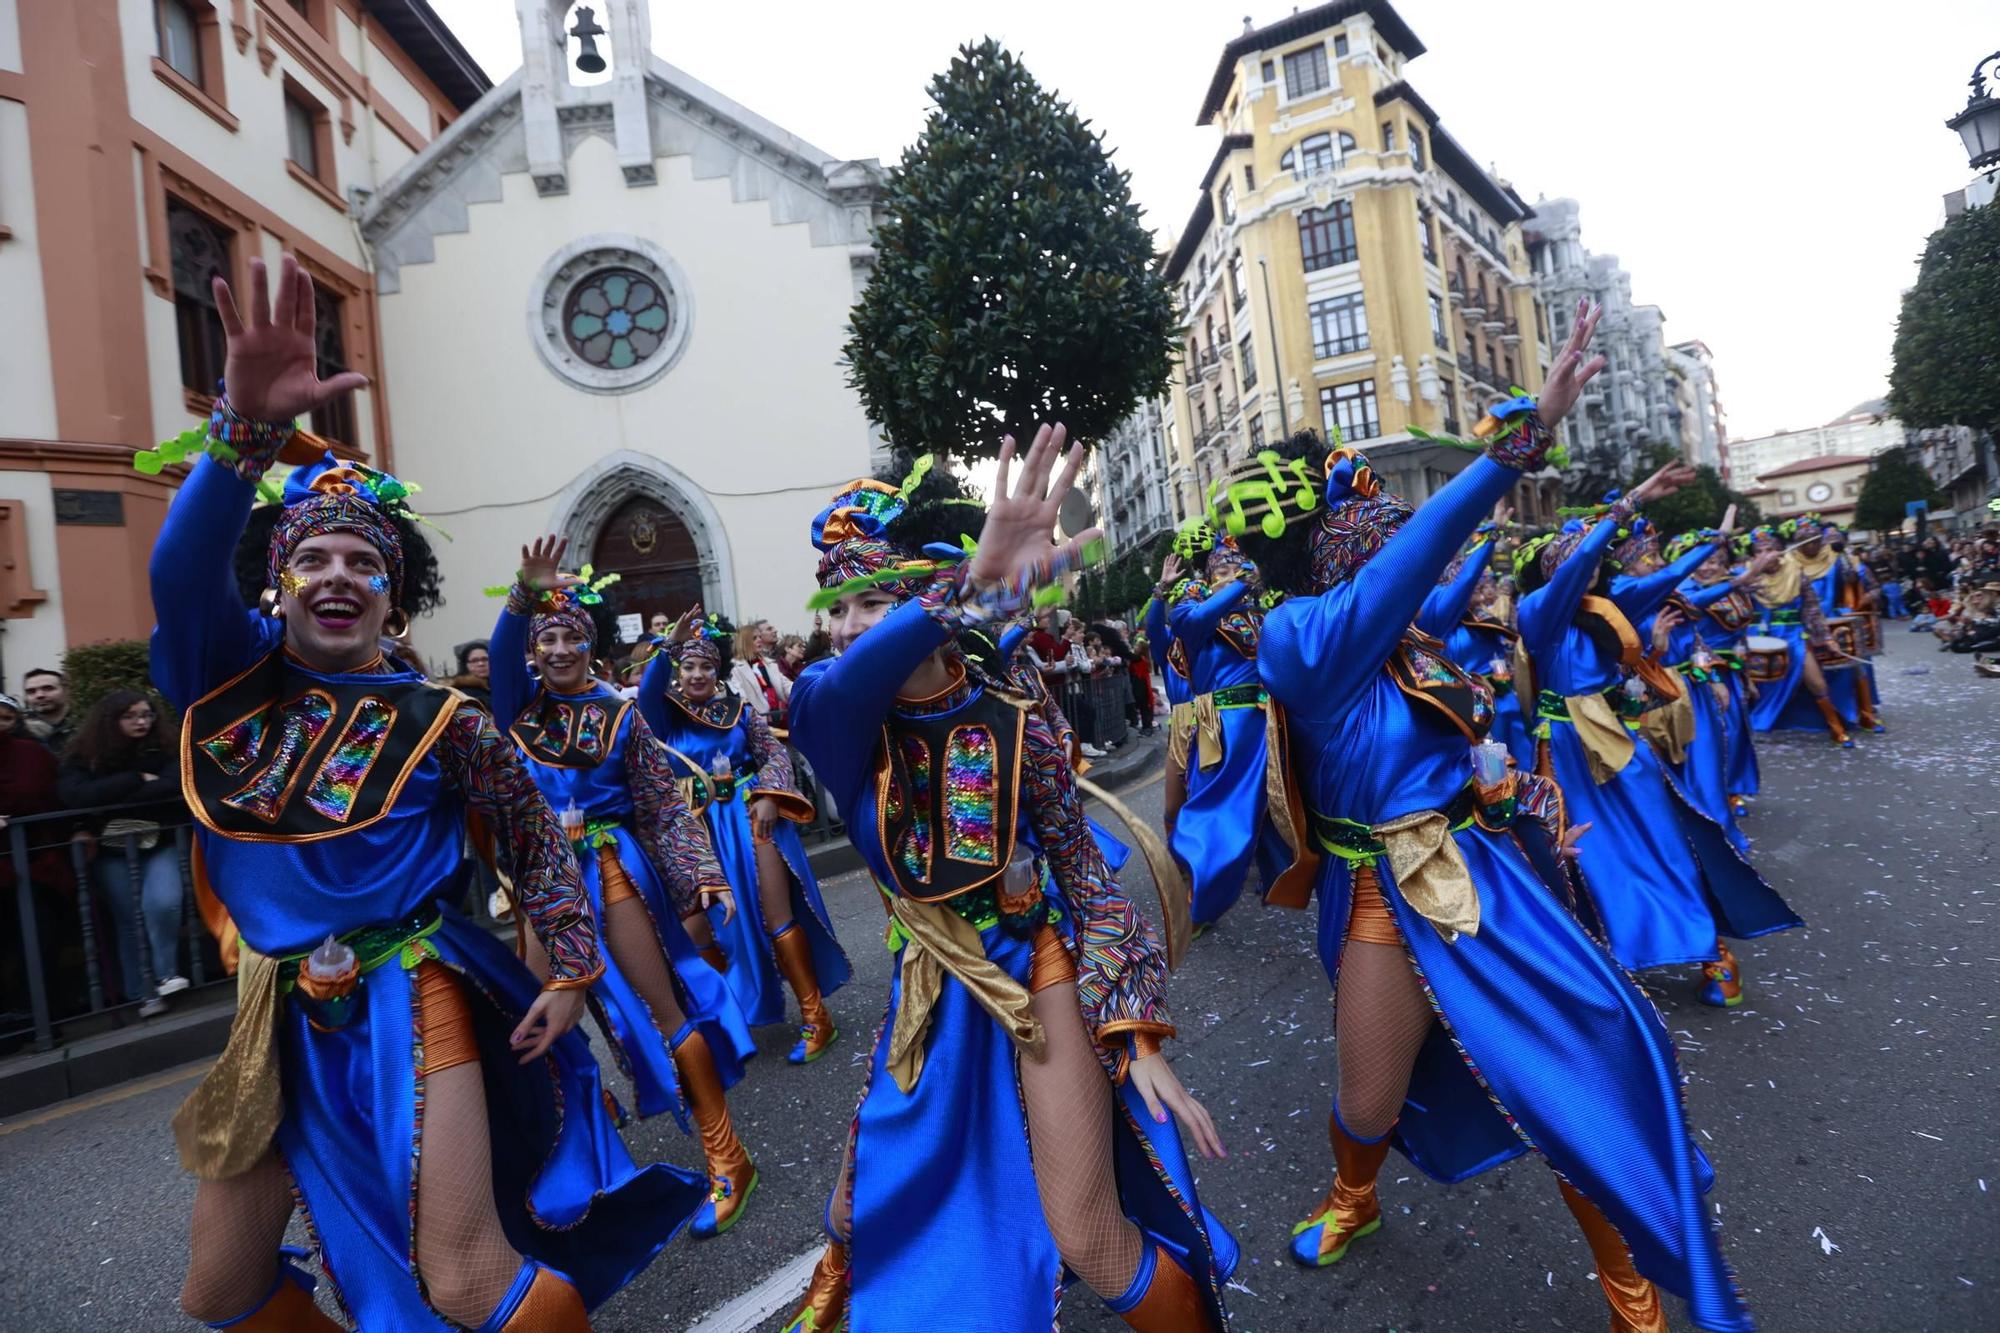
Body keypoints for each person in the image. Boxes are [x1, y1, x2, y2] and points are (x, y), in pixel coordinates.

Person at [155, 256, 702, 1330]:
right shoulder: (226, 685)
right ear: (277, 582)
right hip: (277, 1016)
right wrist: (240, 436)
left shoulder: (445, 726)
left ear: (392, 599)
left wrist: (570, 971)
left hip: (416, 993)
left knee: (462, 1276)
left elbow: (538, 845)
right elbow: (179, 571)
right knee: (221, 1287)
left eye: (366, 561)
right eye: (311, 555)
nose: (338, 574)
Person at [1236, 302, 1754, 1332]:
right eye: (1367, 524)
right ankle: (1354, 1195)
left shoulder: (1412, 645)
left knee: (1578, 1070)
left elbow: (1467, 742)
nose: (1390, 536)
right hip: (1382, 896)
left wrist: (1521, 801)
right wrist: (1511, 452)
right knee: (1370, 1102)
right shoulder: (1300, 641)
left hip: (1483, 881)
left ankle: (1633, 1295)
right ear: (1326, 552)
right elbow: (1426, 555)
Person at [782, 430, 1236, 1333]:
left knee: (1088, 1235)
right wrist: (963, 588)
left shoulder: (1009, 700)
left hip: (1039, 969)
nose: (842, 625)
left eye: (868, 599)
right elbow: (857, 675)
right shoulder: (828, 709)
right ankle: (842, 1279)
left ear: (913, 593)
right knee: (855, 1200)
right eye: (834, 604)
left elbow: (1080, 868)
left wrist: (1136, 1031)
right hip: (935, 988)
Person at [489, 538, 762, 1238]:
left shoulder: (622, 714)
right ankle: (573, 1159)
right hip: (545, 884)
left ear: (590, 645)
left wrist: (701, 874)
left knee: (664, 1007)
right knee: (534, 1024)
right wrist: (523, 594)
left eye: (568, 637)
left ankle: (727, 1154)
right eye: (544, 636)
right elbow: (501, 659)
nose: (556, 648)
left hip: (613, 869)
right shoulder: (521, 711)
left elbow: (663, 806)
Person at [637, 608, 851, 1065]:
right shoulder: (664, 717)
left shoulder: (738, 710)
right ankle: (729, 1027)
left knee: (779, 918)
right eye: (688, 666)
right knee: (699, 933)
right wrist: (668, 647)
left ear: (719, 670)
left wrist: (770, 794)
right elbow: (649, 692)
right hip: (696, 833)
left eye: (706, 666)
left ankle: (817, 1018)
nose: (697, 674)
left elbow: (772, 751)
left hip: (751, 819)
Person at [1166, 531, 1289, 931]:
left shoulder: (1263, 615)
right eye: (1219, 560)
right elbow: (1192, 620)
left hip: (1267, 723)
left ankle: (1281, 880)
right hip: (1222, 730)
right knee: (1217, 812)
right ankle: (1201, 899)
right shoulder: (1194, 613)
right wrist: (1242, 582)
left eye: (1235, 560)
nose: (1227, 563)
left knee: (1278, 806)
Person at [57, 690, 190, 1014]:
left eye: (147, 714)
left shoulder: (168, 747)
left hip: (160, 840)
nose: (142, 722)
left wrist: (109, 796)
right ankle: (142, 992)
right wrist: (136, 779)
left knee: (165, 902)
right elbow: (75, 796)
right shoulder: (83, 755)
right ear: (111, 720)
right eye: (131, 716)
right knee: (128, 918)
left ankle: (164, 974)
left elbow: (174, 786)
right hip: (110, 849)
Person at [0, 692, 76, 1029]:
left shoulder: (31, 754)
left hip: (36, 866)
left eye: (5, 717)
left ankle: (40, 1016)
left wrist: (79, 830)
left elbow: (58, 799)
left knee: (40, 938)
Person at [729, 620, 791, 729]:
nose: (759, 640)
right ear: (744, 642)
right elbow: (741, 698)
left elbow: (786, 685)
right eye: (754, 638)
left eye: (759, 637)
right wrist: (757, 719)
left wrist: (803, 691)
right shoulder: (734, 668)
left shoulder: (769, 664)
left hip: (779, 719)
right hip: (756, 725)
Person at [22, 668, 77, 754]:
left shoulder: (86, 724)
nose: (39, 695)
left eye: (48, 688)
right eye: (31, 691)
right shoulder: (19, 729)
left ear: (66, 691)